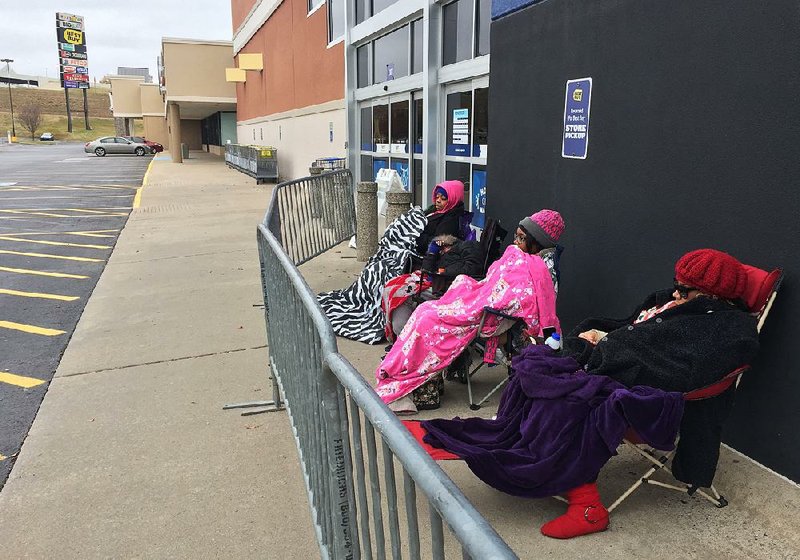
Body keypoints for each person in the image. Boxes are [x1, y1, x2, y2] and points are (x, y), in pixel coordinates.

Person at [418, 248, 760, 539]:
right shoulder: (672, 304)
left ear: (712, 297)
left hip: (638, 386)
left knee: (567, 400)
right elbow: (632, 326)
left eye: (684, 291)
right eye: (675, 285)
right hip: (607, 361)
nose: (674, 295)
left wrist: (606, 347)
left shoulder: (728, 330)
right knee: (531, 363)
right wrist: (597, 334)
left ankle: (588, 505)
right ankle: (510, 439)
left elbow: (679, 368)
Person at [375, 210, 565, 413]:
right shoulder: (516, 256)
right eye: (516, 236)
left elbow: (519, 300)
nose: (516, 242)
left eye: (522, 238)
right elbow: (492, 281)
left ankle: (409, 378)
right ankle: (402, 371)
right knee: (424, 310)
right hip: (478, 303)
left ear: (537, 242)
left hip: (484, 316)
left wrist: (481, 300)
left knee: (427, 319)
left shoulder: (536, 268)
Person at [415, 180, 466, 254]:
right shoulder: (434, 210)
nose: (438, 201)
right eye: (437, 197)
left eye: (443, 198)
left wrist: (417, 235)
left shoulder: (451, 220)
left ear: (453, 199)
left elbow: (437, 242)